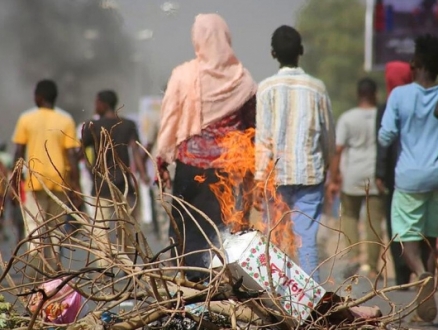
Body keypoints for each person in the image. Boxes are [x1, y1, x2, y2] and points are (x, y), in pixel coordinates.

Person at [156, 13, 257, 282]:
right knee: (219, 228)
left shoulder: (183, 75)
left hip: (190, 168)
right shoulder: (243, 80)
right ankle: (217, 284)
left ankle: (189, 283)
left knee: (185, 225)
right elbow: (251, 129)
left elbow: (169, 121)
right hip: (226, 171)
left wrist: (161, 161)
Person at [254, 25, 335, 282]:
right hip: (310, 175)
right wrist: (328, 166)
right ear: (301, 51)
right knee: (306, 239)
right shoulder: (317, 88)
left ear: (272, 54)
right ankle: (313, 302)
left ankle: (277, 297)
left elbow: (263, 139)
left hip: (275, 177)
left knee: (275, 238)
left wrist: (258, 178)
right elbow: (328, 136)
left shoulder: (265, 89)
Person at [379, 34, 438, 322]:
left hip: (410, 179)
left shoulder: (400, 96)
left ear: (414, 63)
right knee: (430, 236)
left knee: (404, 238)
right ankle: (428, 282)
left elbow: (386, 134)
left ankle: (421, 274)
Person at [12, 79, 81, 280]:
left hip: (34, 181)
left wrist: (15, 183)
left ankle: (36, 270)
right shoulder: (66, 120)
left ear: (39, 97)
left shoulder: (26, 119)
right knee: (56, 228)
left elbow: (18, 152)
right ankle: (55, 271)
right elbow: (71, 156)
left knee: (34, 226)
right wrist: (75, 186)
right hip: (59, 182)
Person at [81, 90, 149, 268]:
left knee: (101, 230)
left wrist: (91, 169)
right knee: (127, 229)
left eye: (96, 103)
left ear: (103, 104)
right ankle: (128, 267)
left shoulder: (92, 126)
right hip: (124, 185)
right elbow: (135, 151)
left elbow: (79, 152)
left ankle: (104, 268)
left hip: (101, 185)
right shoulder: (127, 124)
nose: (95, 106)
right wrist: (143, 175)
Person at [328, 78, 385, 280]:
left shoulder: (348, 118)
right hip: (375, 175)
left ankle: (353, 259)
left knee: (350, 217)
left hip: (352, 175)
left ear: (358, 94)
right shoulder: (383, 115)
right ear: (375, 94)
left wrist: (334, 177)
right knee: (373, 221)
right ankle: (371, 266)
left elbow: (338, 150)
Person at [375, 61, 417, 286]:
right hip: (421, 169)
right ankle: (420, 271)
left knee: (396, 224)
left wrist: (379, 173)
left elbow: (382, 143)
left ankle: (402, 272)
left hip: (394, 176)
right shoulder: (420, 101)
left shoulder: (388, 106)